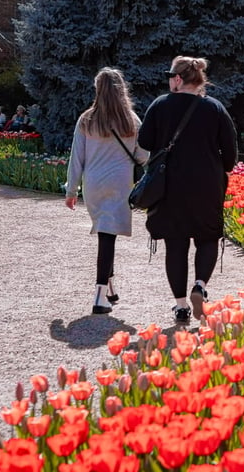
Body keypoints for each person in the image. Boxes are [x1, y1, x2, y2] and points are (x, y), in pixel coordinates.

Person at [138, 55, 238, 323]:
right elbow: (230, 154)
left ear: (178, 79)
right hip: (207, 186)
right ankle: (200, 286)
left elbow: (145, 141)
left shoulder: (159, 106)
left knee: (176, 243)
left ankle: (181, 305)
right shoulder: (215, 108)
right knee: (207, 238)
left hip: (170, 187)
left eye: (170, 76)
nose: (169, 81)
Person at [64, 67, 148, 314]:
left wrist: (71, 190)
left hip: (93, 182)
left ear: (98, 90)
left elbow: (76, 158)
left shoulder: (87, 119)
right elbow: (143, 156)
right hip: (120, 182)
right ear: (122, 90)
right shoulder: (131, 120)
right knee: (108, 235)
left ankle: (109, 287)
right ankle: (99, 294)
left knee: (105, 230)